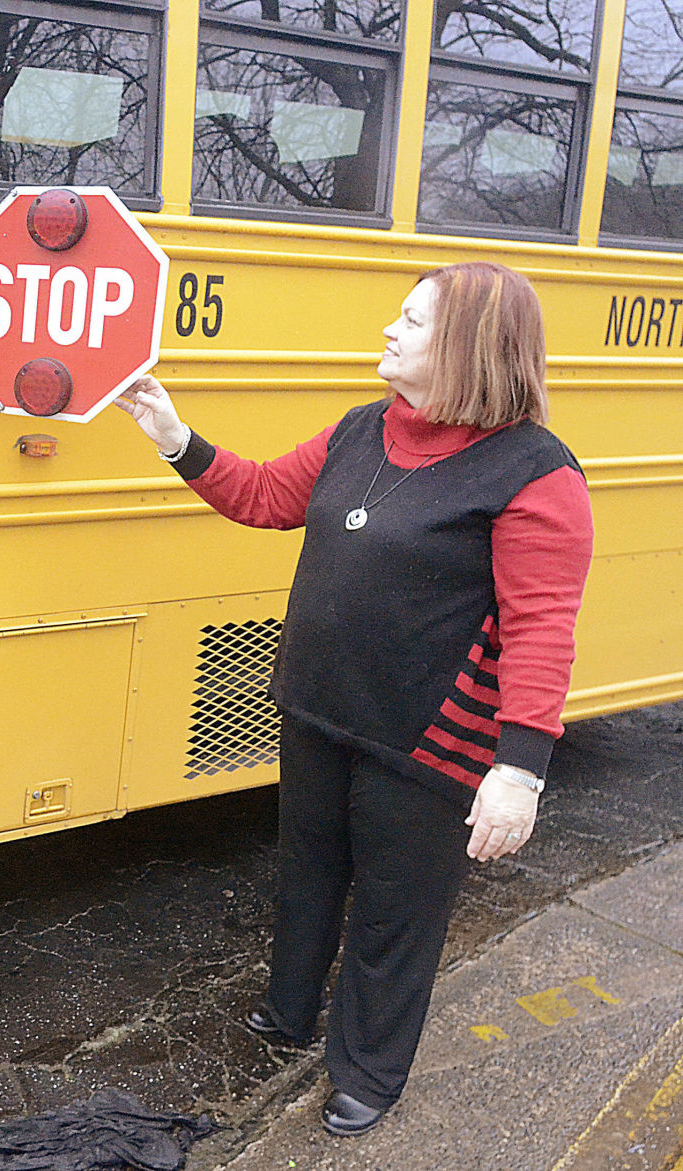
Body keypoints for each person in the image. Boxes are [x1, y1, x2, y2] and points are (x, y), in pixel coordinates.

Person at [115, 261, 593, 1136]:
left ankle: (368, 1067)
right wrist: (172, 434)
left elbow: (540, 630)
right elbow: (262, 496)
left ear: (462, 346)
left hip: (428, 738)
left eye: (408, 321)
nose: (387, 331)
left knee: (393, 908)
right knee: (308, 872)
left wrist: (517, 770)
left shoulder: (535, 476)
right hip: (318, 706)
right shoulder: (361, 429)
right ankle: (290, 1013)